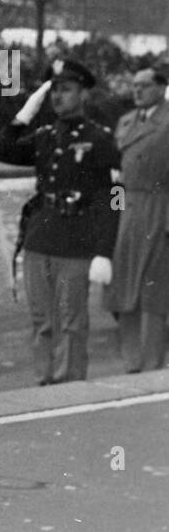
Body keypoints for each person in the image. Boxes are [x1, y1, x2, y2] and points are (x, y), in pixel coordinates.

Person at [0, 61, 119, 384]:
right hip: (39, 239)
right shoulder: (45, 136)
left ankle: (69, 387)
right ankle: (44, 384)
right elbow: (0, 150)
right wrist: (24, 115)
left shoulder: (99, 138)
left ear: (84, 93)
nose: (58, 97)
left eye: (66, 89)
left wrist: (104, 250)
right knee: (42, 321)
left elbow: (113, 197)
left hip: (76, 242)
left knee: (72, 323)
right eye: (53, 91)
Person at [106, 67, 169, 372]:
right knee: (124, 285)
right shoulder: (127, 122)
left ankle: (151, 361)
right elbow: (118, 175)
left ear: (161, 87)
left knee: (153, 288)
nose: (137, 91)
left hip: (159, 208)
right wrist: (115, 212)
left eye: (144, 85)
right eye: (134, 85)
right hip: (127, 209)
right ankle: (132, 362)